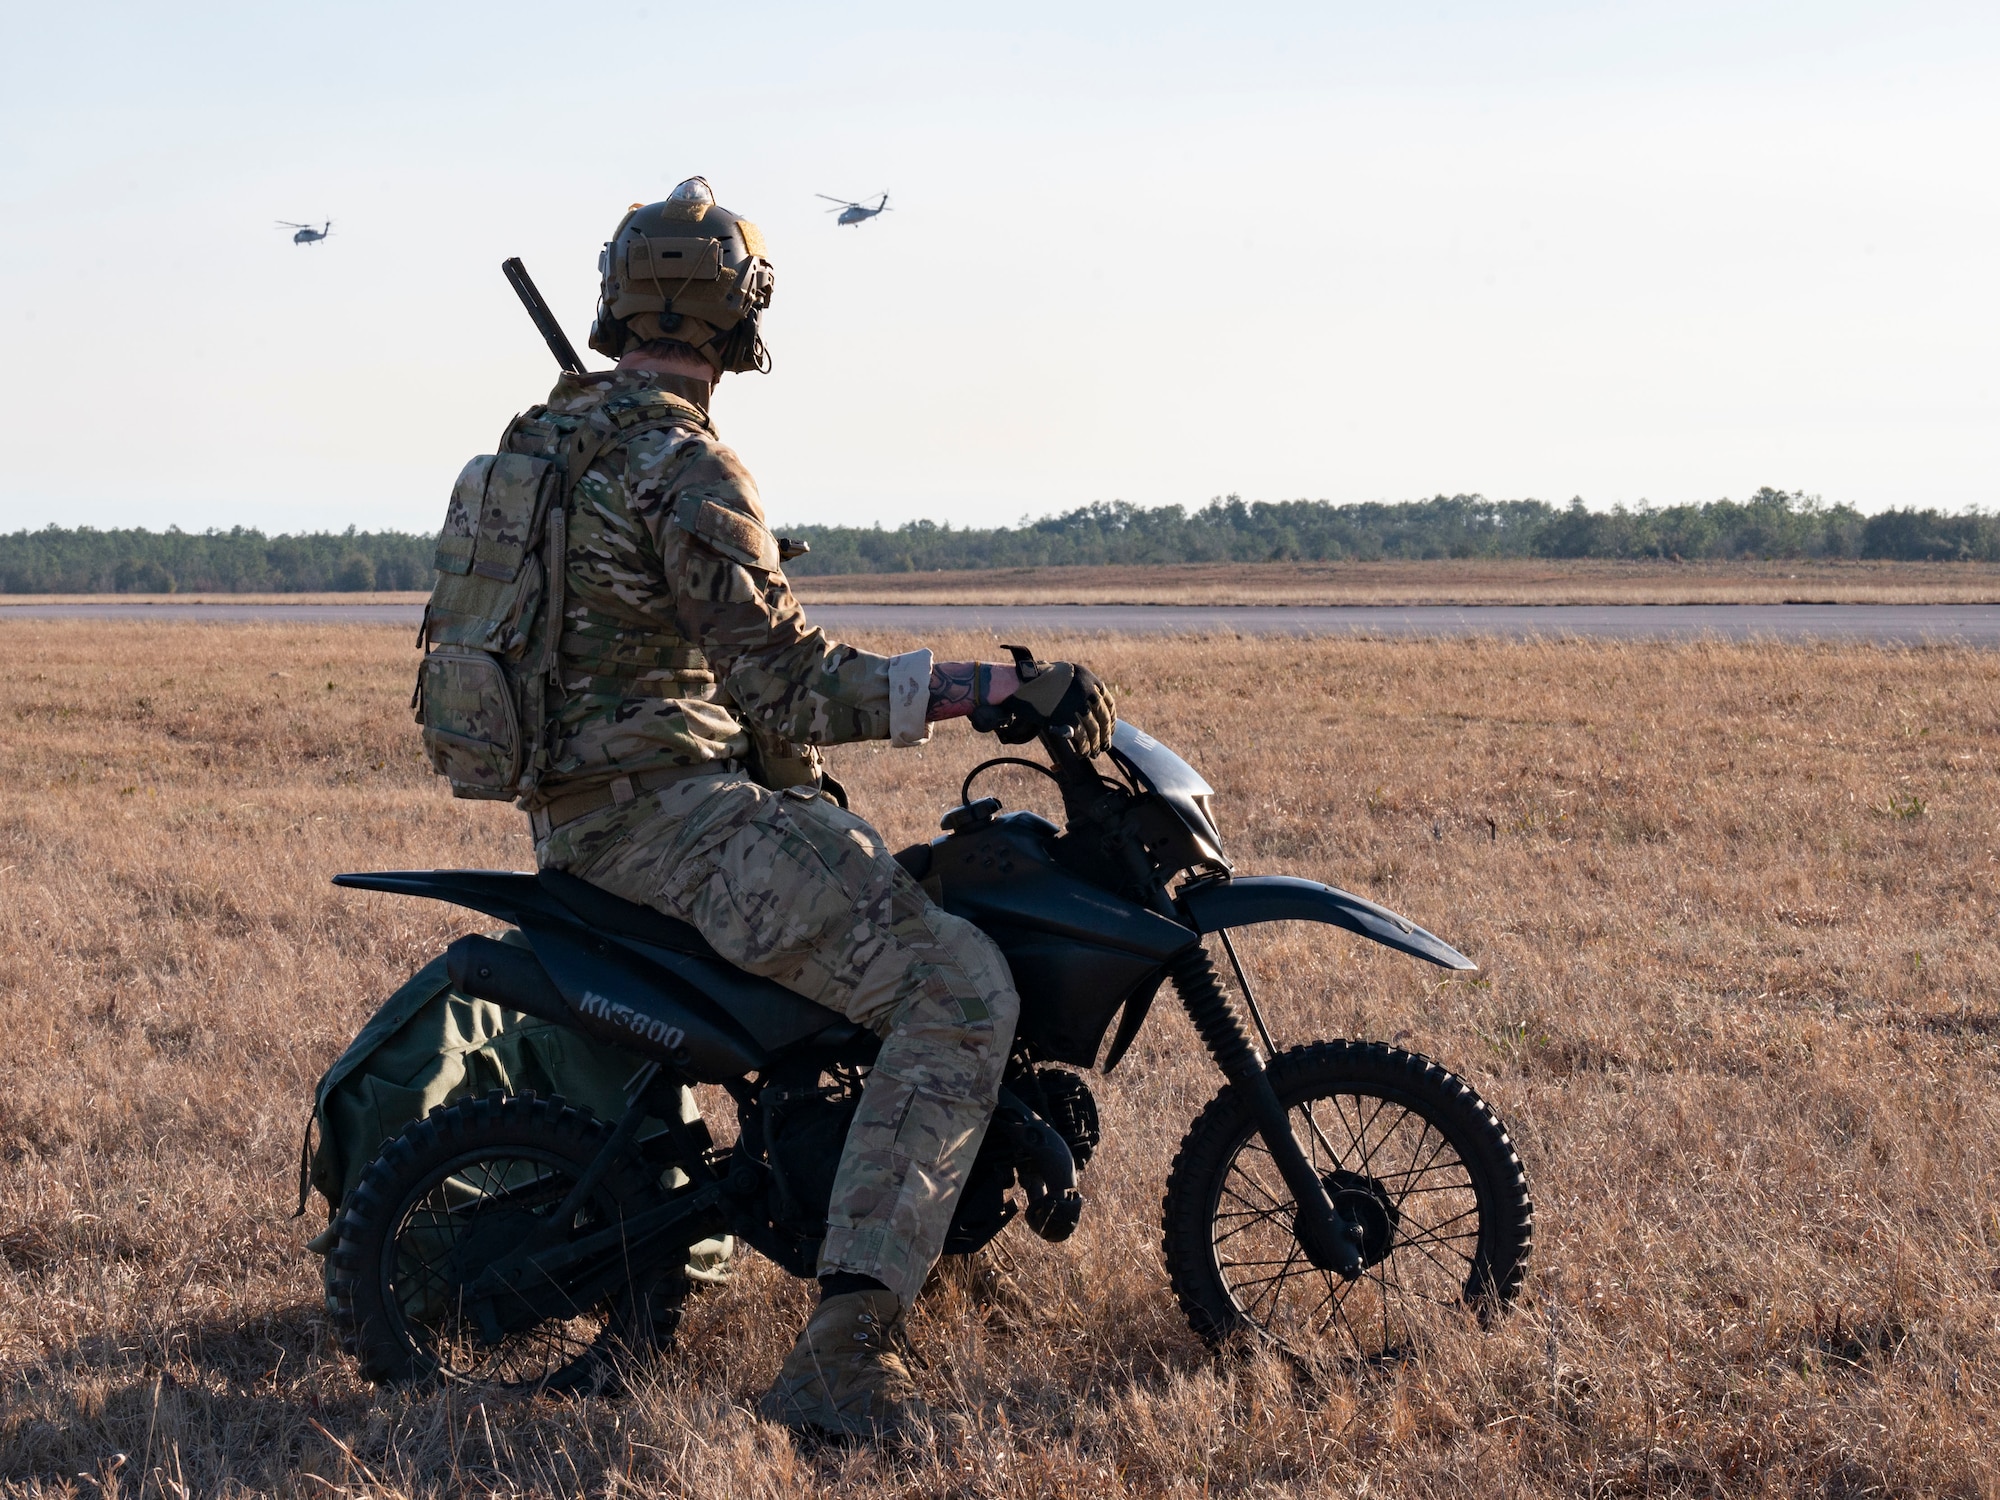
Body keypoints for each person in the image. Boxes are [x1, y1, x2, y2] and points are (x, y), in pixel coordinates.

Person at [501, 178, 1115, 1437]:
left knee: (884, 908)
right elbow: (789, 682)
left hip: (588, 816)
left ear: (618, 303)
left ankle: (918, 1232)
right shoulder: (684, 464)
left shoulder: (539, 447)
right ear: (735, 321)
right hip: (674, 827)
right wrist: (985, 684)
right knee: (954, 989)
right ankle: (839, 1361)